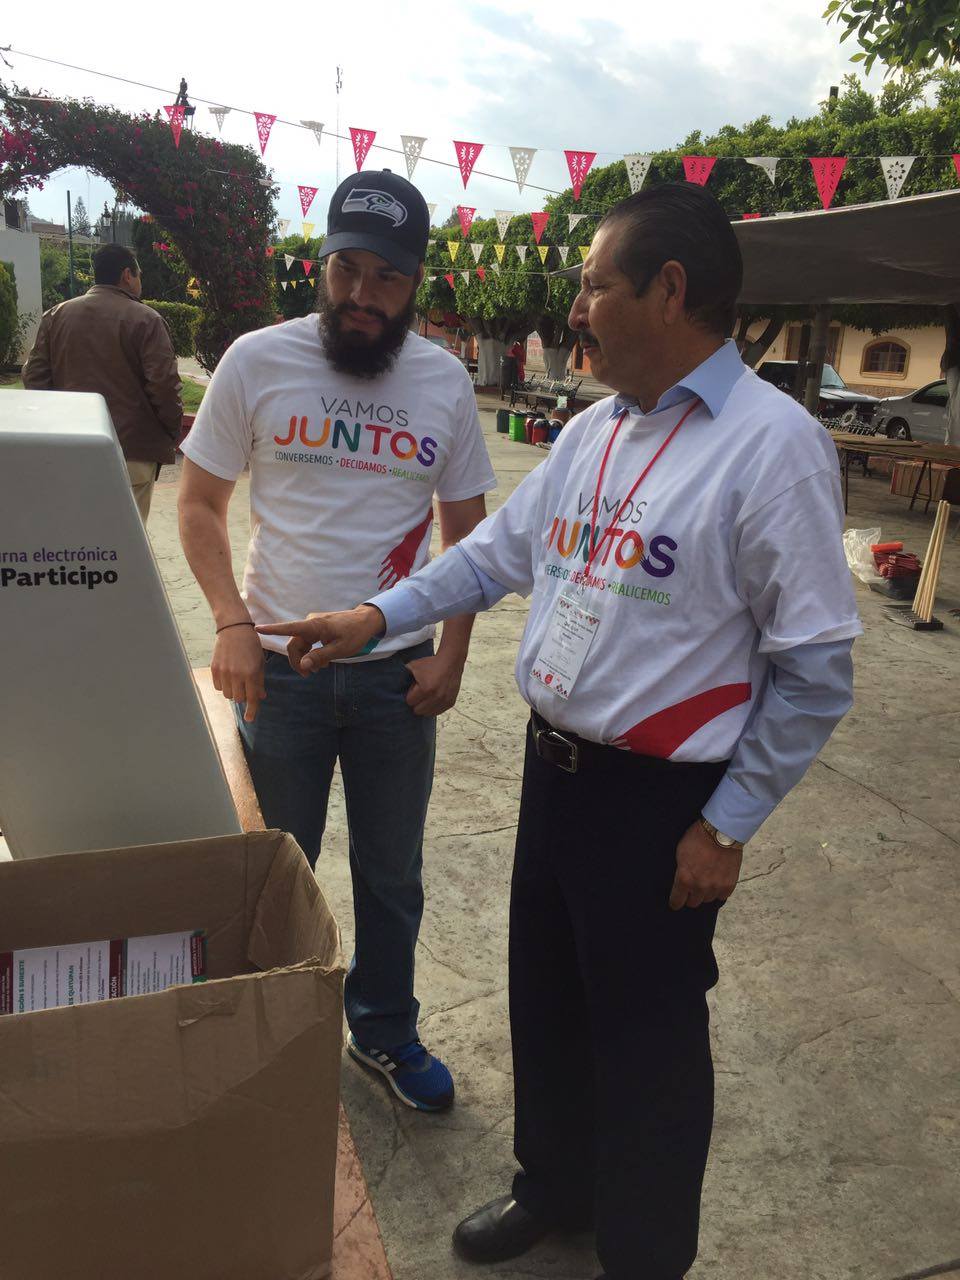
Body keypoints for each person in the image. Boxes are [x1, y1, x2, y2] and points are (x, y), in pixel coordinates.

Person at [257, 184, 862, 1279]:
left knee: (648, 1038)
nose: (575, 308)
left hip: (660, 803)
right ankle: (555, 1187)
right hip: (557, 767)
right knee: (547, 996)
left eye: (593, 284)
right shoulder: (593, 431)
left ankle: (642, 1254)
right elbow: (490, 558)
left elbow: (816, 671)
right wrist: (374, 618)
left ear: (668, 290)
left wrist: (726, 824)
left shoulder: (774, 449)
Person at [177, 169, 496, 1113]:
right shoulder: (256, 361)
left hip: (398, 679)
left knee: (392, 876)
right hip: (281, 676)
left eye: (387, 277)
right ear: (319, 265)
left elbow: (467, 533)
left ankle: (384, 1031)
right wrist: (232, 622)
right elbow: (199, 503)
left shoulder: (443, 381)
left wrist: (453, 652)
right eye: (347, 269)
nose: (363, 295)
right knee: (276, 873)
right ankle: (266, 1034)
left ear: (417, 283)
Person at [22, 244, 183, 521]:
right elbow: (164, 386)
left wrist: (55, 426)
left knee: (76, 534)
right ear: (127, 275)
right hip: (132, 452)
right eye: (139, 275)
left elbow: (34, 378)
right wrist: (170, 432)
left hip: (70, 448)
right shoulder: (146, 320)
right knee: (125, 538)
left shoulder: (56, 315)